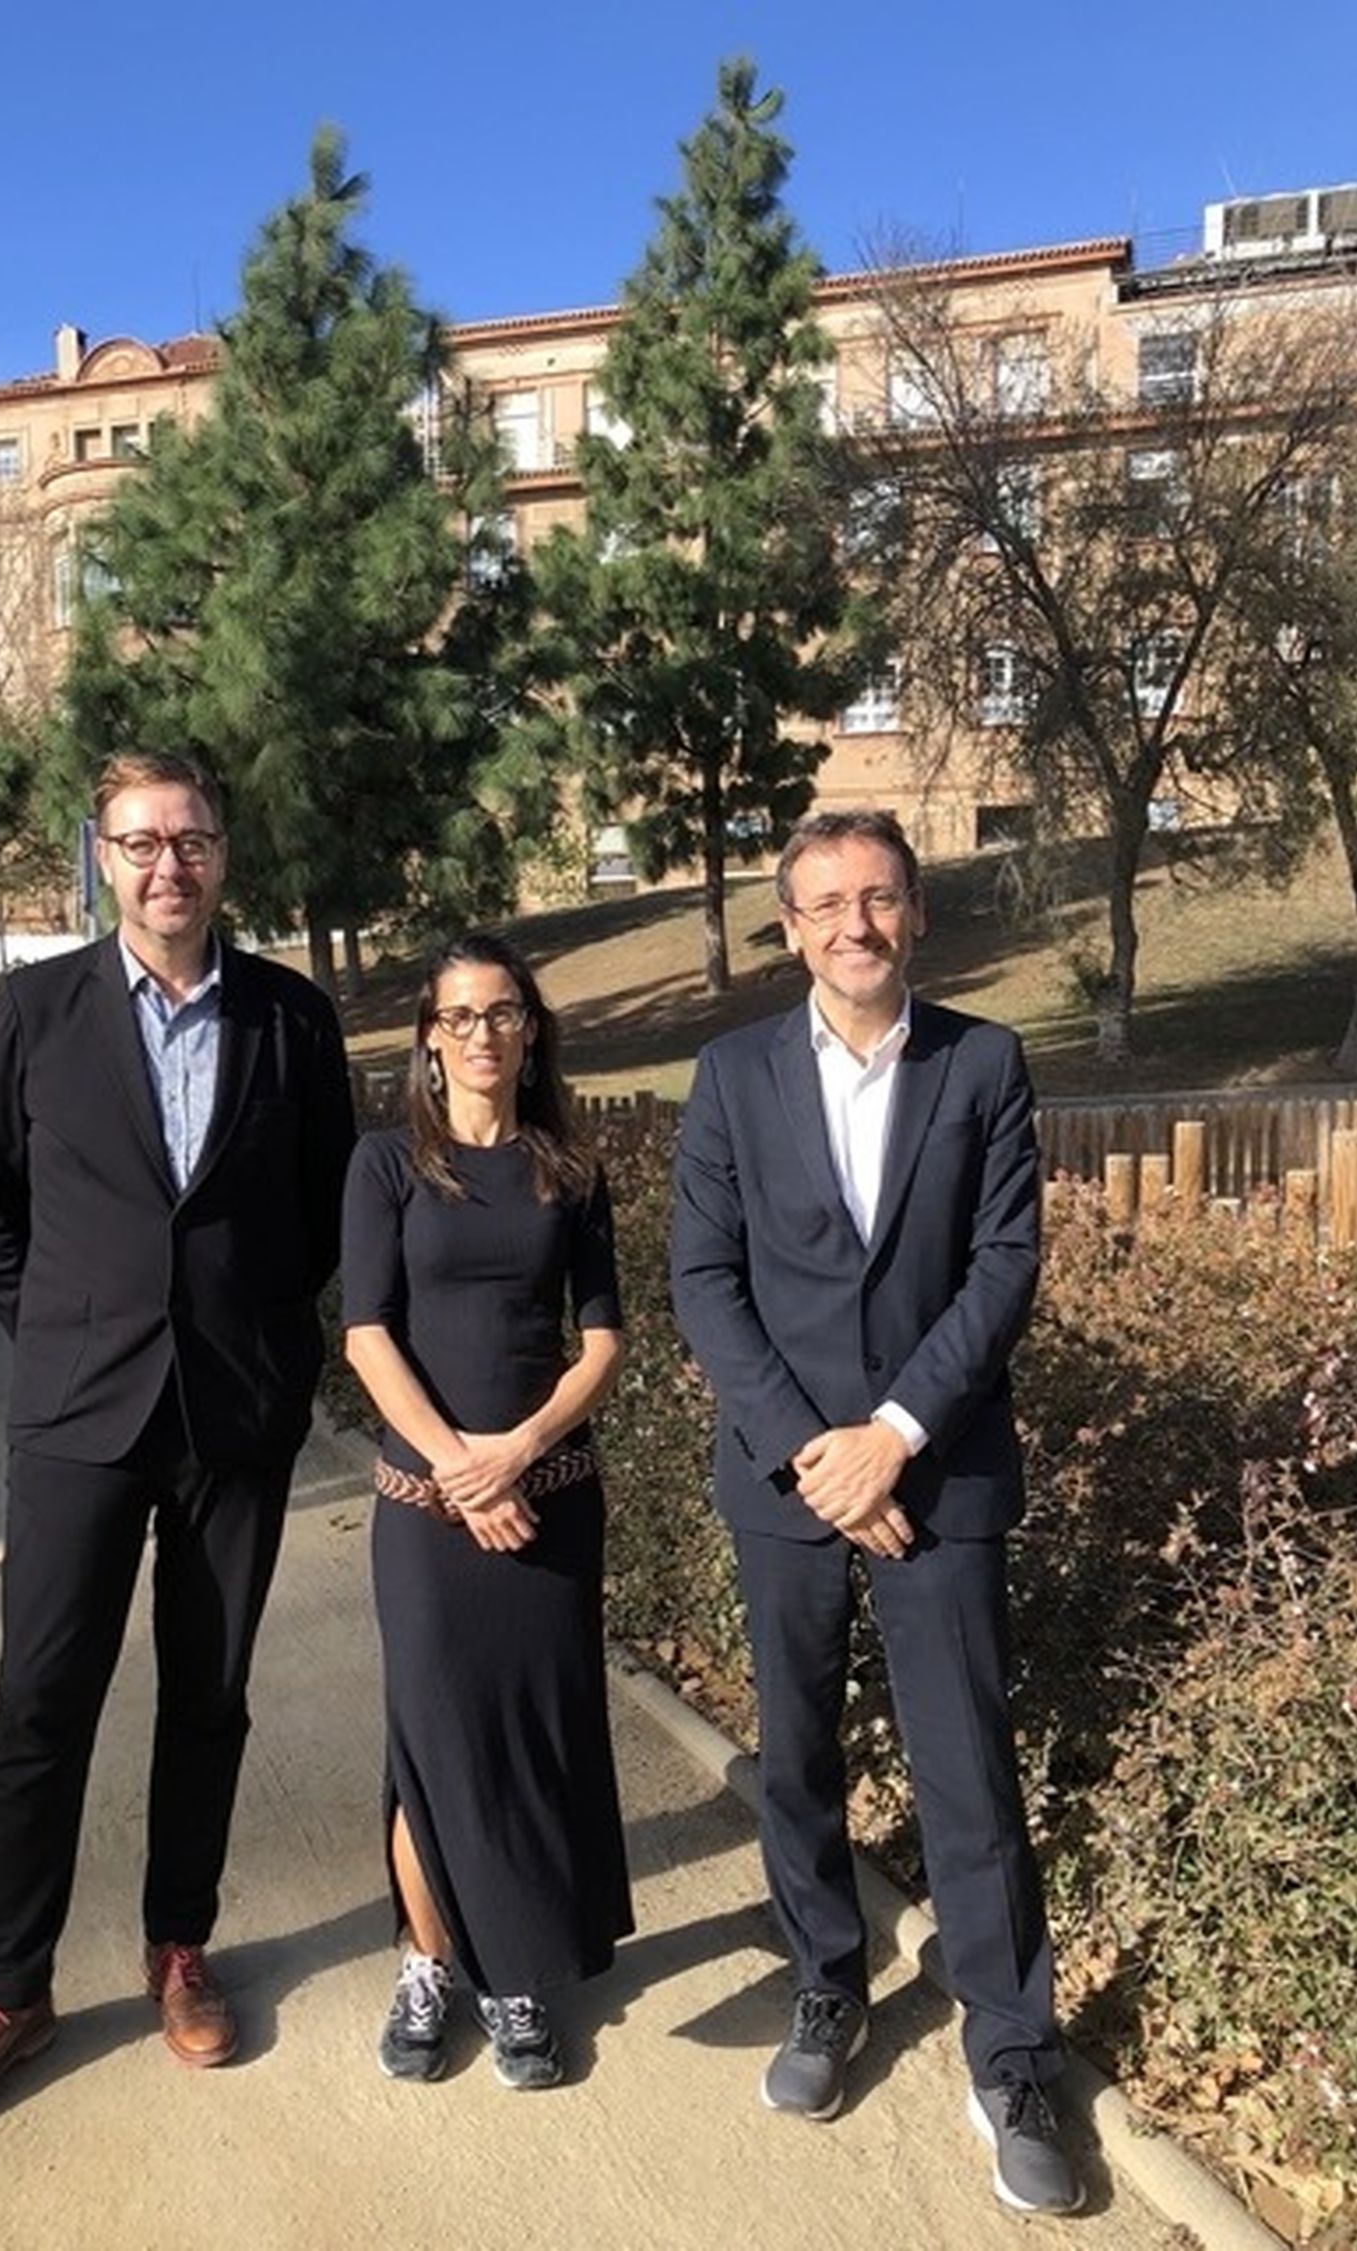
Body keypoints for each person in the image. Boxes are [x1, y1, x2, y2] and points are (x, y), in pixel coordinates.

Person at [0, 750, 354, 2136]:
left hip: (234, 1417)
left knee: (208, 1694)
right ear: (102, 856)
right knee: (40, 1701)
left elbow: (328, 1211)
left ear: (226, 853)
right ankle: (9, 1991)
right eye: (141, 839)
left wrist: (269, 1349)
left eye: (193, 837)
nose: (170, 863)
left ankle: (178, 1945)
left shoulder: (289, 1018)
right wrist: (66, 1335)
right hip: (80, 1421)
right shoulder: (35, 1011)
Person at [669, 809, 1082, 2218]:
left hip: (941, 1469)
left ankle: (1013, 2052)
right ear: (789, 923)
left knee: (969, 1772)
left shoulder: (984, 1062)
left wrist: (893, 1438)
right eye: (827, 901)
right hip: (788, 1491)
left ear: (917, 916)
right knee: (797, 1757)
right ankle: (826, 1985)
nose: (856, 922)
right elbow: (704, 1284)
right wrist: (815, 1457)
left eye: (881, 897)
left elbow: (1004, 1264)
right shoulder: (728, 1077)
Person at [340, 931, 632, 2092]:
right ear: (428, 1035)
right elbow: (365, 1330)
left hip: (550, 1500)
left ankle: (515, 1976)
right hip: (425, 1510)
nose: (481, 1035)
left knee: (529, 1741)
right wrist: (458, 1466)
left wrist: (517, 1450)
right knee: (433, 1740)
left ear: (531, 1029)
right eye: (458, 1016)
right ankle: (429, 1959)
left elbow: (602, 1340)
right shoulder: (386, 1167)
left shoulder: (570, 1166)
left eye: (502, 1012)